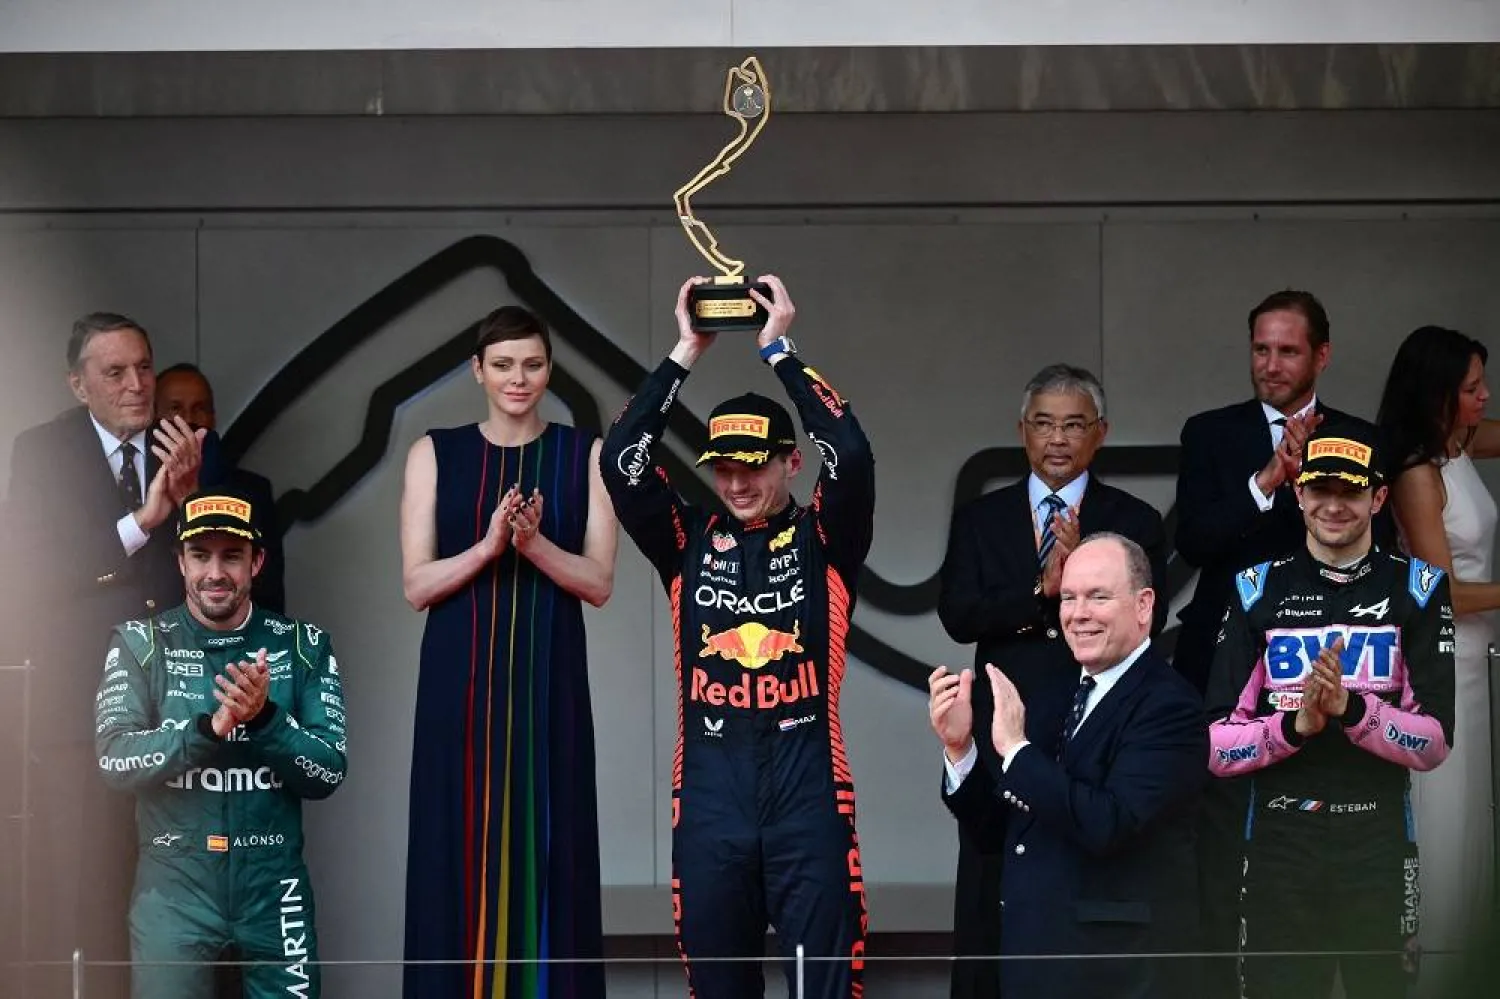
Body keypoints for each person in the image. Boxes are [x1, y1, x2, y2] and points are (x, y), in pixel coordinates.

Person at [601, 275, 874, 998]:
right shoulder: (686, 537)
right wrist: (686, 349)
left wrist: (780, 350)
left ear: (791, 460)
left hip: (810, 797)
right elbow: (620, 455)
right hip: (711, 800)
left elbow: (851, 451)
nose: (738, 482)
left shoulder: (827, 536)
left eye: (754, 465)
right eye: (723, 467)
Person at [398, 304, 618, 998]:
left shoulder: (586, 453)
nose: (517, 378)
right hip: (457, 693)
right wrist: (491, 547)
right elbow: (416, 584)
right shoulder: (435, 451)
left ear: (549, 369)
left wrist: (534, 545)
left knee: (552, 854)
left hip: (547, 689)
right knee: (454, 856)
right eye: (502, 365)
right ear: (477, 371)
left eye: (531, 364)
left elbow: (599, 582)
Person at [936, 363, 1168, 999]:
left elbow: (1155, 617)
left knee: (1081, 871)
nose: (1057, 438)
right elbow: (957, 613)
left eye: (1073, 424)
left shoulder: (1134, 518)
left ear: (1100, 434)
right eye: (1044, 424)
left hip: (1092, 725)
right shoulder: (983, 516)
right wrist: (1039, 591)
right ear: (1022, 431)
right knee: (990, 880)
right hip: (1005, 722)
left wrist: (1082, 575)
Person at [1206, 418, 1455, 999]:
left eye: (1351, 491)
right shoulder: (1254, 588)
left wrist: (1352, 713)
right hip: (1279, 838)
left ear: (1380, 496)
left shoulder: (1418, 587)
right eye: (1320, 490)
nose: (1334, 505)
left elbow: (1436, 742)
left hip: (1380, 838)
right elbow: (1216, 746)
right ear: (1298, 494)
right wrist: (1297, 725)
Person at [4, 311, 202, 999]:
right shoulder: (41, 451)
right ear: (78, 384)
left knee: (176, 889)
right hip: (78, 712)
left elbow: (224, 574)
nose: (136, 384)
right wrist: (143, 522)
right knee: (84, 888)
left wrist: (192, 501)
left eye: (144, 366)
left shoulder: (185, 446)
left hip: (177, 711)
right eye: (114, 371)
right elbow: (38, 571)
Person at [1171, 288, 1361, 996]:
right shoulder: (1212, 433)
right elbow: (1193, 539)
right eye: (1261, 349)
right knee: (1224, 834)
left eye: (1287, 350)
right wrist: (1268, 480)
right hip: (1229, 661)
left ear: (1321, 354)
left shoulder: (1358, 434)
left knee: (1325, 828)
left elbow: (1381, 552)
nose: (1271, 364)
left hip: (1330, 664)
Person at [94, 484, 345, 998]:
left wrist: (267, 718)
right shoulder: (140, 643)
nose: (214, 573)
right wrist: (209, 730)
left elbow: (329, 770)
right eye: (200, 555)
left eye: (232, 556)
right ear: (180, 562)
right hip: (173, 888)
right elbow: (113, 760)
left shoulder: (303, 645)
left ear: (257, 563)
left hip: (275, 886)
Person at [931, 533, 1205, 999]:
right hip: (1032, 964)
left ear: (1144, 605)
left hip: (1118, 975)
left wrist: (1017, 751)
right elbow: (1005, 831)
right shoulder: (1054, 695)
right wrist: (960, 750)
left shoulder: (1170, 705)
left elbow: (1109, 822)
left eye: (1098, 597)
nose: (1078, 614)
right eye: (1070, 597)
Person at [1376, 326, 1498, 981]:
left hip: (1481, 658)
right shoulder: (1417, 471)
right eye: (1472, 388)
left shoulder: (1459, 442)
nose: (1484, 399)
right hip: (1444, 659)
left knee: (1476, 824)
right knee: (1446, 832)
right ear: (1438, 395)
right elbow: (1439, 588)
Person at [156, 361, 285, 613]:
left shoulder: (253, 492)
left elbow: (268, 591)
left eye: (200, 408)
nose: (189, 419)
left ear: (213, 417)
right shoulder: (137, 488)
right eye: (175, 408)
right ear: (153, 416)